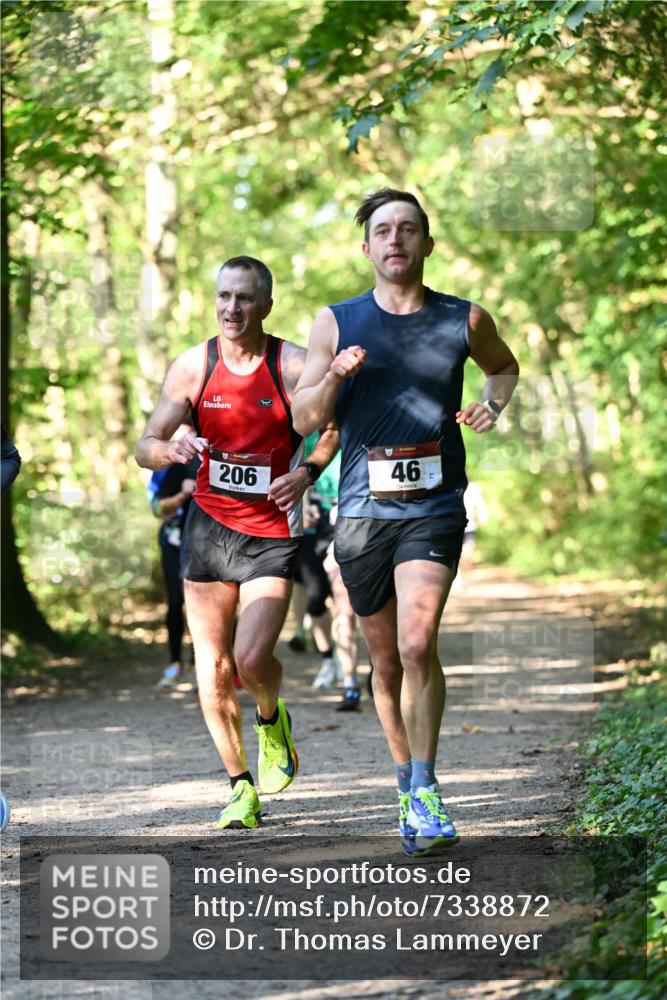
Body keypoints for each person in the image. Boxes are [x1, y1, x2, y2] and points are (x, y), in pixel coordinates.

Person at [292, 188, 519, 856]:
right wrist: (331, 375)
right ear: (366, 249)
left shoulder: (463, 318)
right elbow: (306, 419)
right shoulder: (335, 322)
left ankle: (426, 786)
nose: (395, 240)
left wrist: (491, 407)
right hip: (361, 512)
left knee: (419, 644)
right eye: (383, 231)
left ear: (426, 243)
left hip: (433, 505)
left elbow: (502, 369)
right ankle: (402, 783)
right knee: (384, 662)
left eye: (408, 230)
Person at [136, 256, 338, 830]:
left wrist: (307, 472)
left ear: (265, 305)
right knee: (212, 666)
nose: (232, 308)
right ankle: (239, 787)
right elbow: (145, 443)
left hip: (270, 530)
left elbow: (331, 424)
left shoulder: (292, 363)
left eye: (244, 298)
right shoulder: (192, 366)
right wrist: (169, 451)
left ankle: (273, 721)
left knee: (251, 661)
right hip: (207, 529)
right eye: (224, 296)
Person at [146, 420, 199, 688]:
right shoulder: (167, 467)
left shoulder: (209, 459)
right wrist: (183, 495)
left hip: (204, 542)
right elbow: (158, 508)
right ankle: (174, 662)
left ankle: (199, 663)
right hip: (173, 541)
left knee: (202, 602)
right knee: (176, 599)